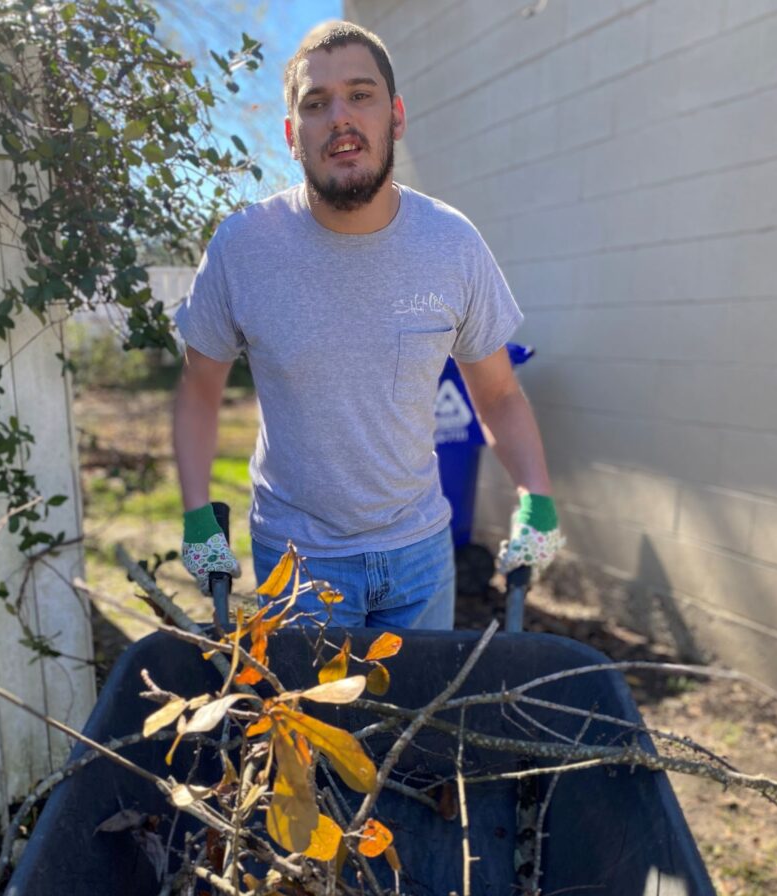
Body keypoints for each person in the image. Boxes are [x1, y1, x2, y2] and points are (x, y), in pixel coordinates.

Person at [172, 19, 564, 629]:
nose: (340, 117)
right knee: (301, 700)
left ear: (396, 116)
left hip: (421, 557)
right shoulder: (244, 248)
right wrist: (198, 514)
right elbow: (199, 390)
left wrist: (536, 495)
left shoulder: (452, 244)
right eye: (316, 103)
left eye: (361, 94)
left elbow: (498, 393)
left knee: (420, 699)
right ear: (292, 135)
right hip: (297, 564)